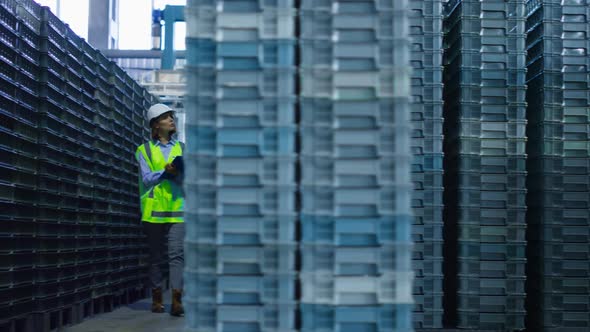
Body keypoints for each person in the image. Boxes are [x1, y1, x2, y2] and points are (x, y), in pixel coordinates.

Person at [135, 103, 185, 316]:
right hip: (154, 211)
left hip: (178, 209)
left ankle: (176, 301)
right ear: (156, 125)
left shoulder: (182, 148)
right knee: (156, 256)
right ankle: (157, 299)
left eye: (171, 116)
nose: (171, 120)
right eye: (166, 117)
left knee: (177, 256)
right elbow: (146, 179)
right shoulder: (143, 150)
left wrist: (180, 172)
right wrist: (164, 173)